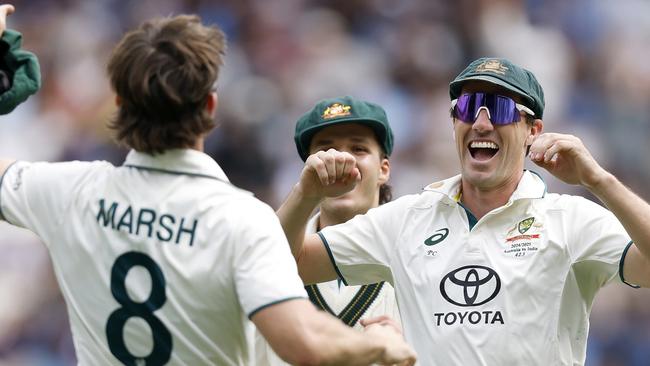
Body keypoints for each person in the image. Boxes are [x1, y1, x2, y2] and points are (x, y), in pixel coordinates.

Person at [0, 6, 417, 365]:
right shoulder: (242, 219)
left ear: (121, 105)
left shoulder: (69, 191)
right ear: (210, 106)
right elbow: (303, 342)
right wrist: (376, 344)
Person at [277, 56, 650, 365]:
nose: (481, 122)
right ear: (455, 122)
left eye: (501, 109)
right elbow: (284, 263)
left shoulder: (570, 219)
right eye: (468, 108)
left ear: (533, 130)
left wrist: (598, 180)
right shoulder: (407, 218)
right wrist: (305, 194)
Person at [256, 96, 402, 365]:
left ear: (384, 170)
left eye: (358, 149)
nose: (342, 159)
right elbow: (261, 266)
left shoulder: (414, 250)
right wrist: (304, 195)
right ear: (308, 169)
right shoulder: (269, 244)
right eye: (327, 149)